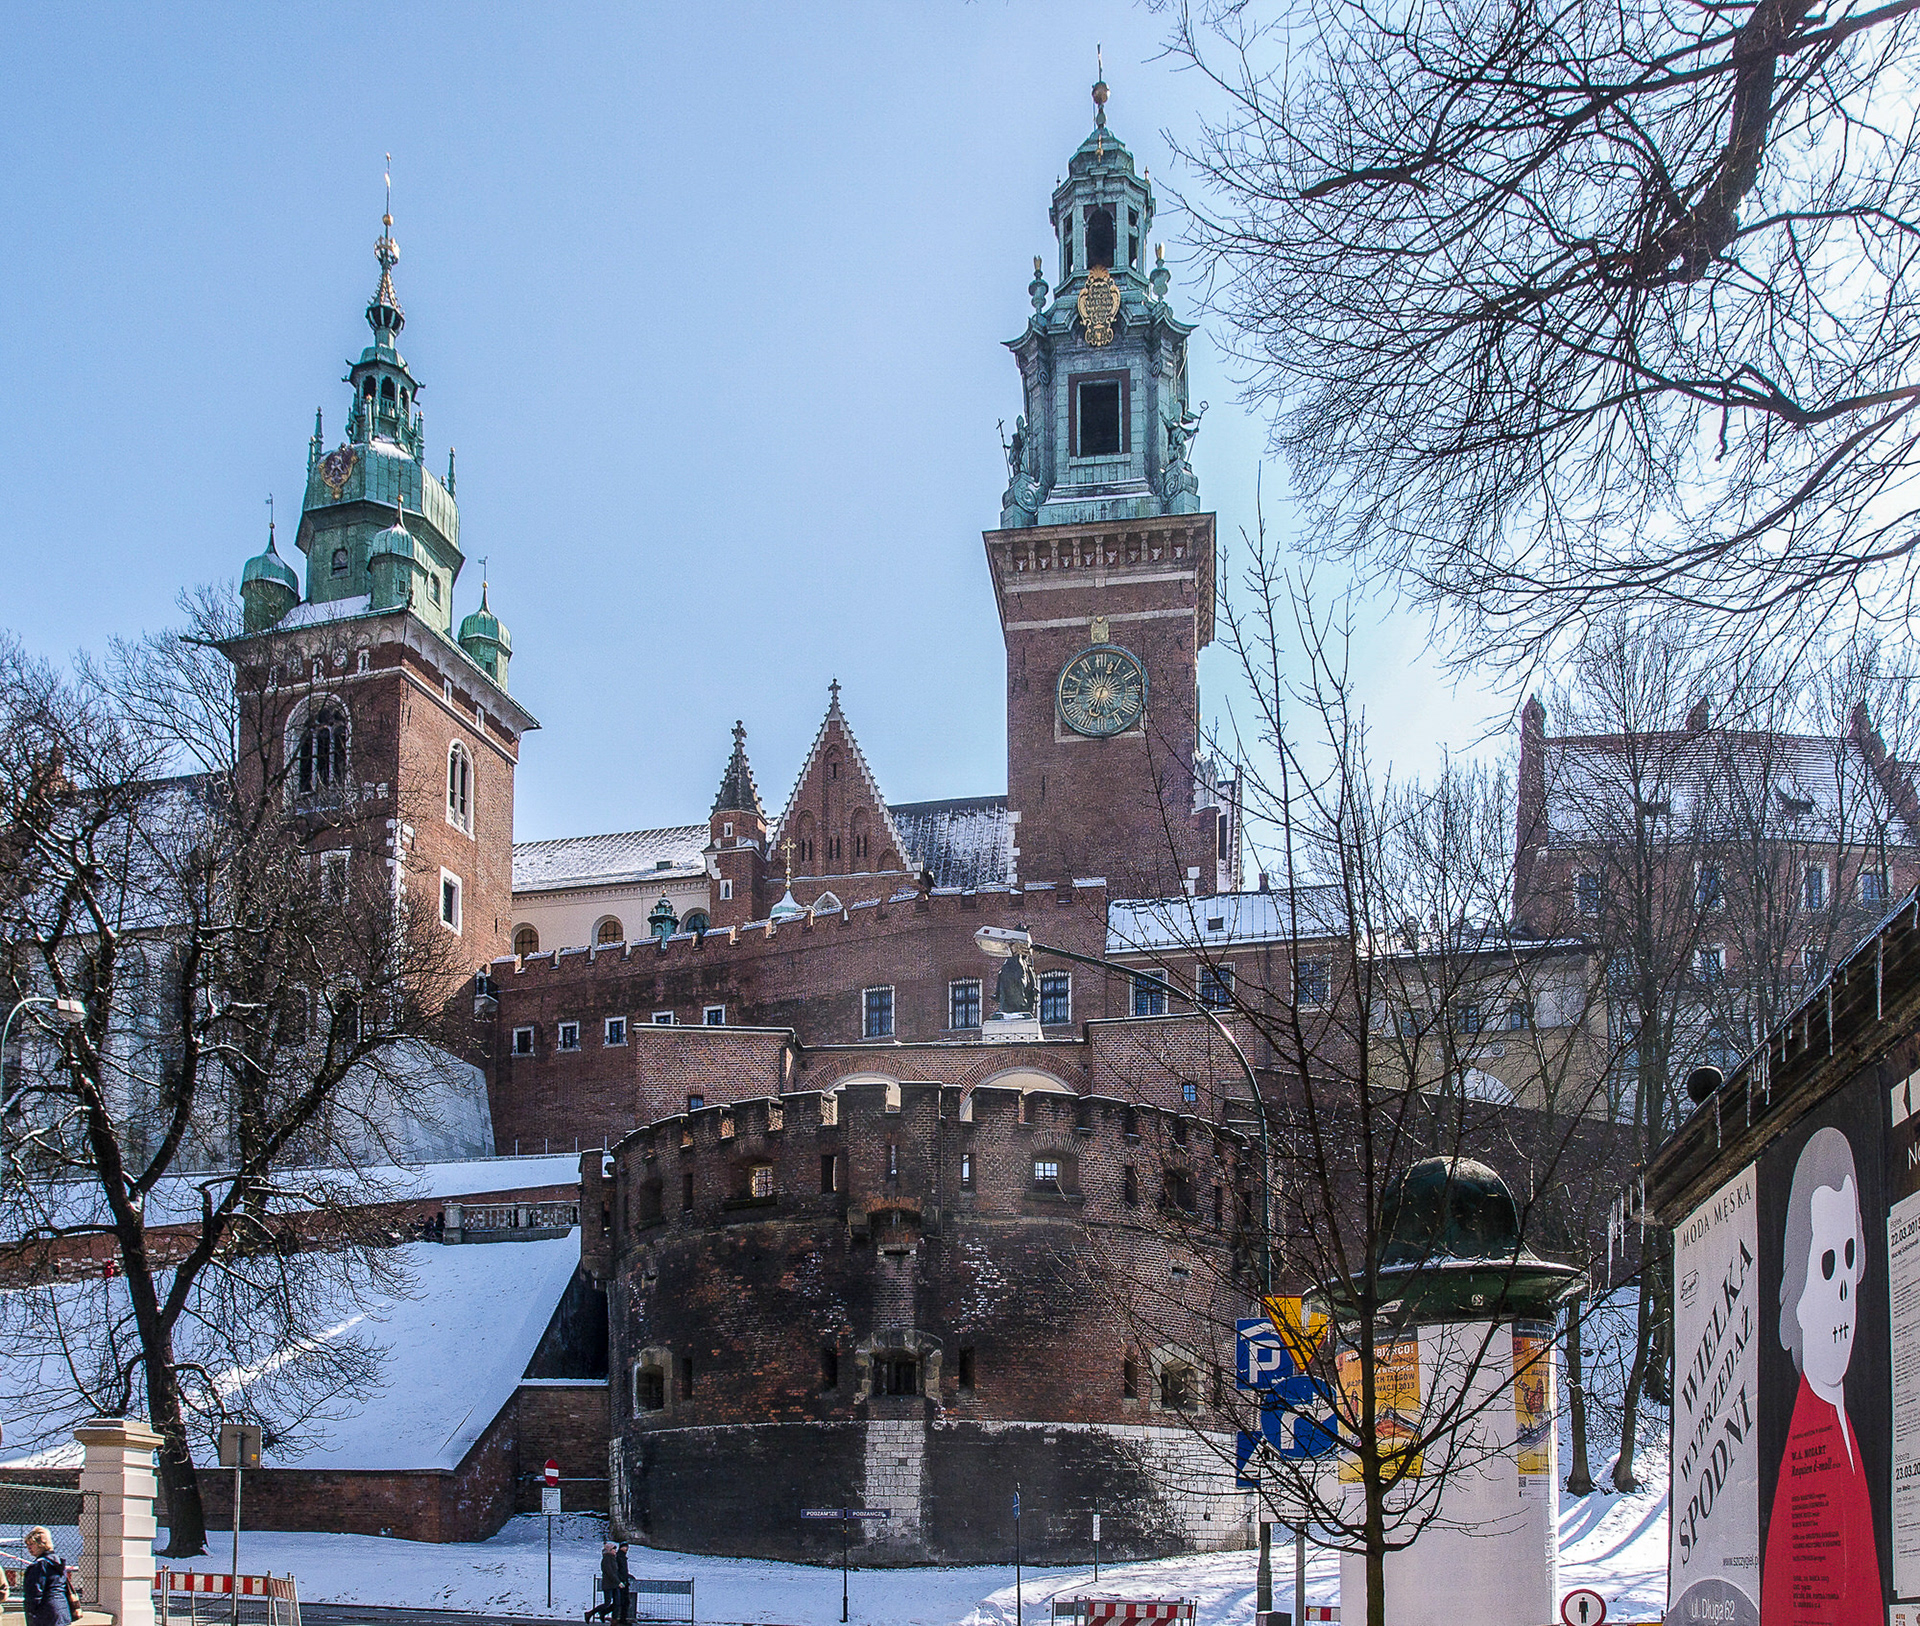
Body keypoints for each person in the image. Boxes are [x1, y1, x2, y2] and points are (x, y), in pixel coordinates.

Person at [1762, 1127, 1881, 1624]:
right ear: (1795, 1294)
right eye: (1826, 1264)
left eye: (1849, 1258)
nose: (1842, 1299)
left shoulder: (1843, 1427)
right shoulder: (1809, 1444)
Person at [21, 1528, 72, 1626]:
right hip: (62, 1611)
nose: (29, 1548)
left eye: (31, 1544)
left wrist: (31, 1614)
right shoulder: (57, 1562)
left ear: (41, 1544)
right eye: (27, 1545)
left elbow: (34, 1593)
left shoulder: (39, 1565)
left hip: (45, 1614)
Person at [586, 1542, 618, 1623]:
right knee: (607, 1602)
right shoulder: (607, 1559)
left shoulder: (613, 1558)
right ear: (609, 1550)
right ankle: (590, 1613)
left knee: (617, 1602)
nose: (615, 1551)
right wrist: (618, 1581)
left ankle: (602, 1613)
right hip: (608, 1584)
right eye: (614, 1549)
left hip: (613, 1584)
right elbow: (609, 1572)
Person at [614, 1542, 631, 1623]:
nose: (627, 1549)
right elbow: (619, 1570)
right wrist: (622, 1579)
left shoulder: (622, 1557)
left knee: (623, 1601)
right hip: (621, 1582)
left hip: (623, 1581)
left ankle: (621, 1619)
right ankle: (621, 1619)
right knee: (623, 1602)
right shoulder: (620, 1557)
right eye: (625, 1547)